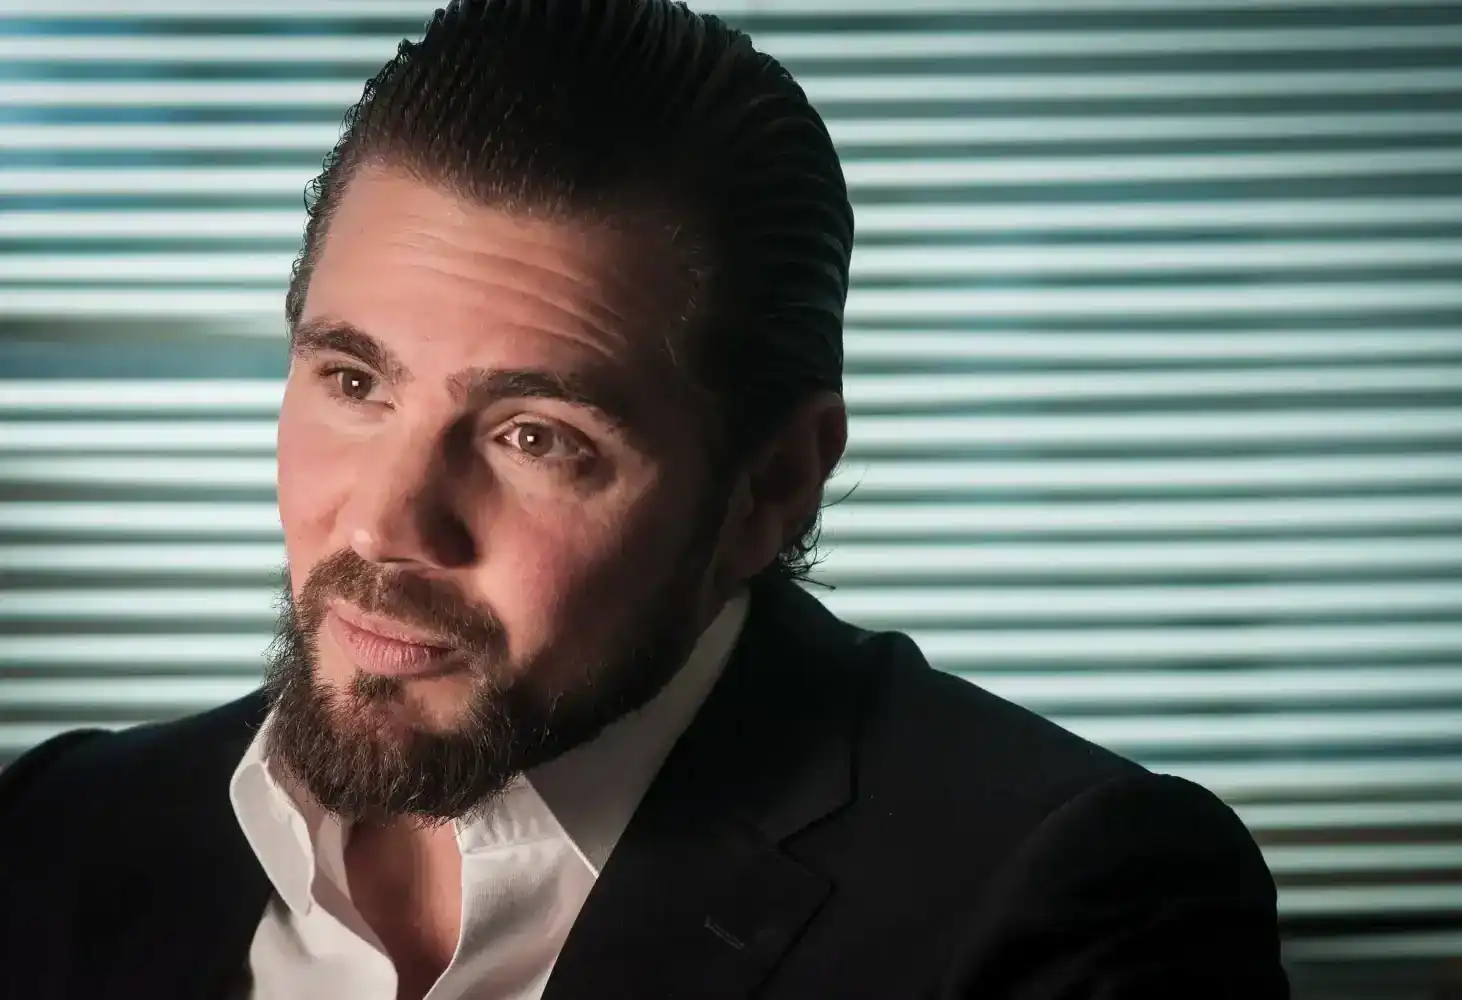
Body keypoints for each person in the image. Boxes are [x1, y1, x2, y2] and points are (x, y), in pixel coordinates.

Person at [0, 1, 1289, 997]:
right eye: (353, 380)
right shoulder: (56, 838)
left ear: (770, 488)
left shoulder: (1067, 906)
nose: (386, 525)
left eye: (533, 436)